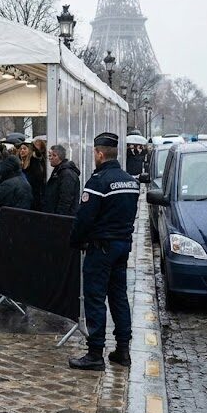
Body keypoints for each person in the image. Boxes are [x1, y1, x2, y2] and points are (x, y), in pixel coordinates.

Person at [68, 133, 140, 371]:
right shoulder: (130, 181)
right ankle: (123, 349)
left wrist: (75, 241)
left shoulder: (98, 182)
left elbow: (85, 218)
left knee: (95, 298)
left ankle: (95, 352)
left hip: (101, 248)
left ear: (99, 154)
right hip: (122, 245)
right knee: (119, 297)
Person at [42, 145, 81, 216]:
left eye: (51, 156)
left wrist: (59, 217)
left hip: (63, 219)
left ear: (56, 156)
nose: (49, 158)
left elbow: (66, 199)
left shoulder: (66, 174)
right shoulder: (59, 171)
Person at [18, 141, 46, 210]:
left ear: (29, 150)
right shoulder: (20, 163)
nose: (22, 151)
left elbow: (37, 180)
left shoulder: (34, 162)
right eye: (21, 149)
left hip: (33, 197)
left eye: (24, 149)